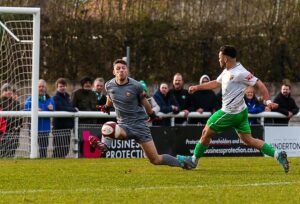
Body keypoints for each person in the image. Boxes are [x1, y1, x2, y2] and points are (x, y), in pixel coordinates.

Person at [177, 45, 289, 173]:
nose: (218, 60)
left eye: (219, 57)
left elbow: (259, 84)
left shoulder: (240, 72)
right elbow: (216, 83)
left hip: (229, 112)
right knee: (248, 140)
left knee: (205, 132)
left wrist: (268, 101)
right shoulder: (227, 71)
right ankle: (277, 154)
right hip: (241, 113)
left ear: (225, 58)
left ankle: (193, 161)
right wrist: (197, 87)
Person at [89, 59, 186, 169]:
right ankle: (104, 146)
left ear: (127, 71)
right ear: (114, 72)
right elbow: (111, 97)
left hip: (140, 126)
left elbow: (144, 102)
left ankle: (182, 163)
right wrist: (107, 106)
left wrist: (152, 114)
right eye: (118, 68)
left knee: (155, 160)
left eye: (123, 68)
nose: (121, 70)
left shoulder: (136, 86)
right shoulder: (109, 85)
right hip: (124, 125)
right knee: (108, 127)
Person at [24, 79, 55, 158]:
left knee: (43, 149)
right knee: (32, 148)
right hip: (33, 128)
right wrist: (33, 108)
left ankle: (43, 163)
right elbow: (26, 106)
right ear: (36, 88)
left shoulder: (50, 99)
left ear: (45, 88)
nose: (41, 88)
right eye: (39, 87)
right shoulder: (31, 98)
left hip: (45, 128)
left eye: (43, 87)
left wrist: (52, 108)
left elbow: (55, 110)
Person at [52, 78, 78, 158]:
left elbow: (68, 107)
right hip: (59, 127)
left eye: (64, 86)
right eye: (60, 86)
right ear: (57, 87)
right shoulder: (55, 98)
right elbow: (60, 108)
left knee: (66, 148)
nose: (62, 88)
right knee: (58, 148)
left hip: (67, 127)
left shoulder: (67, 97)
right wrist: (73, 110)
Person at [0, 83, 22, 157]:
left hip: (14, 131)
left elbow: (20, 118)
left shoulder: (16, 103)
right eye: (6, 90)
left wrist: (18, 128)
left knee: (12, 151)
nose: (8, 92)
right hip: (3, 132)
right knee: (2, 152)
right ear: (2, 92)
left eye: (9, 90)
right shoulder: (0, 102)